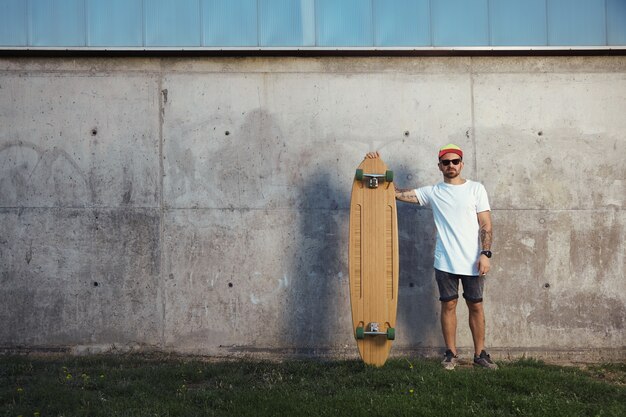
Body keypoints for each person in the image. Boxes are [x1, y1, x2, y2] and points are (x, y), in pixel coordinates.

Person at [366, 144, 497, 370]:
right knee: (449, 305)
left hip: (473, 261)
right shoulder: (433, 192)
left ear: (462, 164)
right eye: (446, 162)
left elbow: (485, 223)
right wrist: (375, 165)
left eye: (455, 161)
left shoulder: (476, 189)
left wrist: (485, 254)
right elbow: (396, 193)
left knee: (476, 306)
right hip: (444, 261)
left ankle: (480, 355)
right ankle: (451, 354)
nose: (451, 165)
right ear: (440, 166)